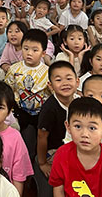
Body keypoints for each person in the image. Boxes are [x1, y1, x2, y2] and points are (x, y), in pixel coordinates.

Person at [48, 97, 102, 197]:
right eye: (78, 126)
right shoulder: (61, 154)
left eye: (92, 128)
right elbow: (58, 189)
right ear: (68, 127)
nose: (85, 134)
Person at [36, 61, 79, 197]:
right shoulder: (49, 109)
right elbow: (42, 136)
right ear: (50, 85)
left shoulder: (80, 101)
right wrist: (42, 163)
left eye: (69, 78)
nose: (65, 83)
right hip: (54, 150)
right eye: (58, 80)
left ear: (77, 82)